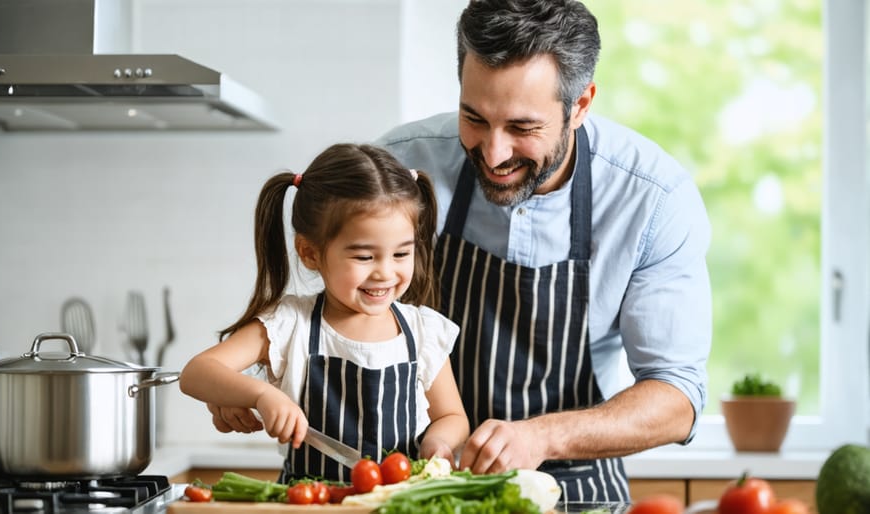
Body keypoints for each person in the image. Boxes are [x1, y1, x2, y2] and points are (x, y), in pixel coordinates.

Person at [376, 0, 712, 503]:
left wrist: (543, 435)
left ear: (580, 105)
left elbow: (676, 397)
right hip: (417, 485)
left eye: (522, 128)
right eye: (474, 117)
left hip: (575, 491)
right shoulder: (399, 168)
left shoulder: (653, 200)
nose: (493, 153)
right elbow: (334, 314)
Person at [179, 143, 469, 483]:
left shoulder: (422, 330)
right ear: (310, 253)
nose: (385, 273)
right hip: (309, 504)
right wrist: (261, 394)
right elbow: (196, 372)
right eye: (364, 257)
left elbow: (452, 415)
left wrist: (439, 442)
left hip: (398, 505)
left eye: (402, 254)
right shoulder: (291, 324)